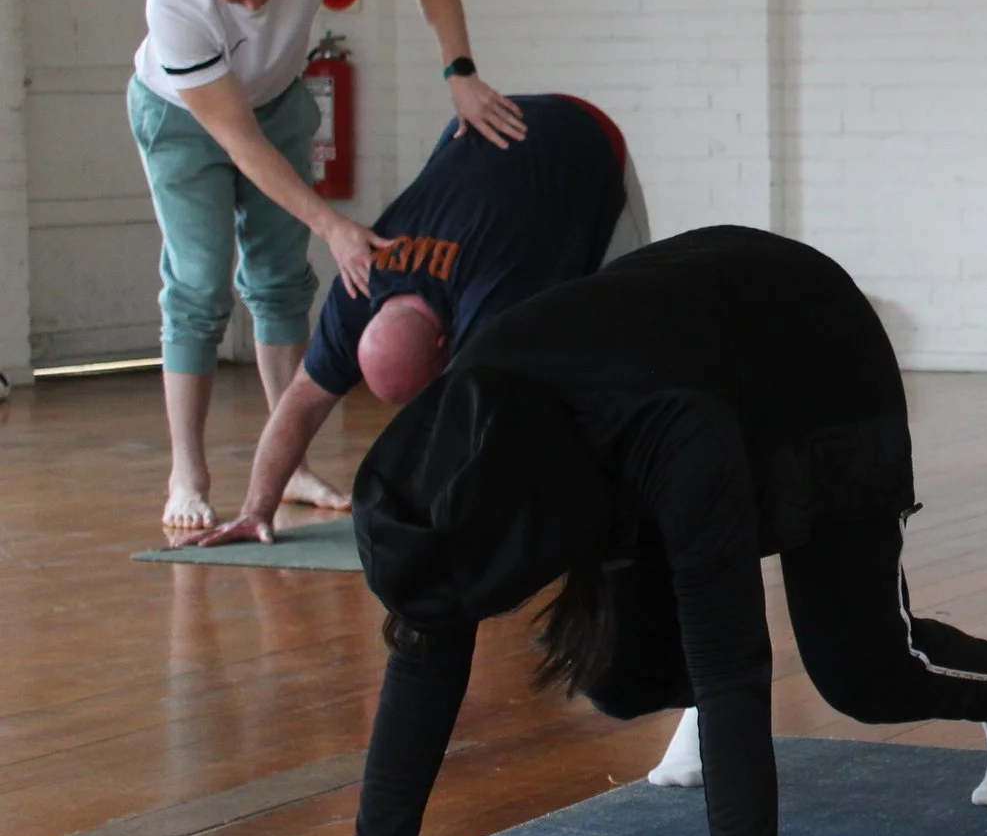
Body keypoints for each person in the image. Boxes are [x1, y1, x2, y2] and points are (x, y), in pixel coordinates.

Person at [263, 228, 987, 836]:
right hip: (660, 365)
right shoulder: (461, 445)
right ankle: (693, 713)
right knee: (618, 672)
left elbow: (734, 655)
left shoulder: (671, 436)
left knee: (862, 672)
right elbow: (426, 640)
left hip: (812, 356)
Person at [131, 0, 525, 530]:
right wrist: (333, 225)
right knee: (199, 286)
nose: (255, 7)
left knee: (280, 279)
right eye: (235, 0)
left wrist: (460, 74)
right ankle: (188, 474)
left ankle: (295, 468)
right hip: (183, 117)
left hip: (277, 100)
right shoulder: (174, 4)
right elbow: (241, 143)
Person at [176, 93, 645, 549]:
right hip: (480, 129)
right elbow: (301, 399)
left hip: (583, 137)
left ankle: (637, 487)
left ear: (446, 342)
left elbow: (487, 419)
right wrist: (257, 509)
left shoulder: (494, 301)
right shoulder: (357, 286)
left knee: (623, 319)